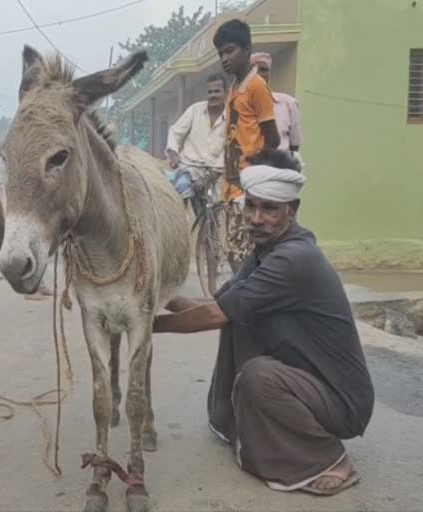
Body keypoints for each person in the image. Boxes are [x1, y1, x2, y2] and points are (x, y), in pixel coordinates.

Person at [152, 149, 374, 497]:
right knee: (238, 318)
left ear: (292, 210)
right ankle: (242, 423)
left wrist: (147, 326)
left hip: (343, 401)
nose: (255, 218)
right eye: (250, 206)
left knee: (259, 375)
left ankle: (330, 459)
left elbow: (212, 315)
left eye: (269, 209)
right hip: (308, 378)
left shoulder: (293, 259)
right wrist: (151, 296)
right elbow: (215, 305)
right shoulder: (265, 252)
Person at [213, 19, 281, 269]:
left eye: (229, 51)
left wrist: (256, 174)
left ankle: (248, 305)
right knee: (234, 254)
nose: (224, 58)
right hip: (232, 185)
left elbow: (272, 139)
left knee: (244, 257)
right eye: (220, 53)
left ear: (247, 49)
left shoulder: (256, 87)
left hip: (249, 187)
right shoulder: (233, 87)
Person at [165, 73, 227, 215]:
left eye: (217, 91)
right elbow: (175, 132)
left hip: (214, 175)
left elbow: (228, 151)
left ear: (225, 92)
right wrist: (173, 153)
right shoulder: (194, 110)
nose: (213, 95)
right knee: (178, 204)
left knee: (210, 220)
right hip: (189, 169)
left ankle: (208, 234)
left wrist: (208, 179)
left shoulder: (231, 117)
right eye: (210, 92)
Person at [250, 52, 304, 168]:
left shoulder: (289, 104)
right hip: (251, 173)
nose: (259, 74)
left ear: (270, 74)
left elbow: (294, 146)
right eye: (254, 70)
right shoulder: (240, 106)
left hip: (280, 173)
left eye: (264, 70)